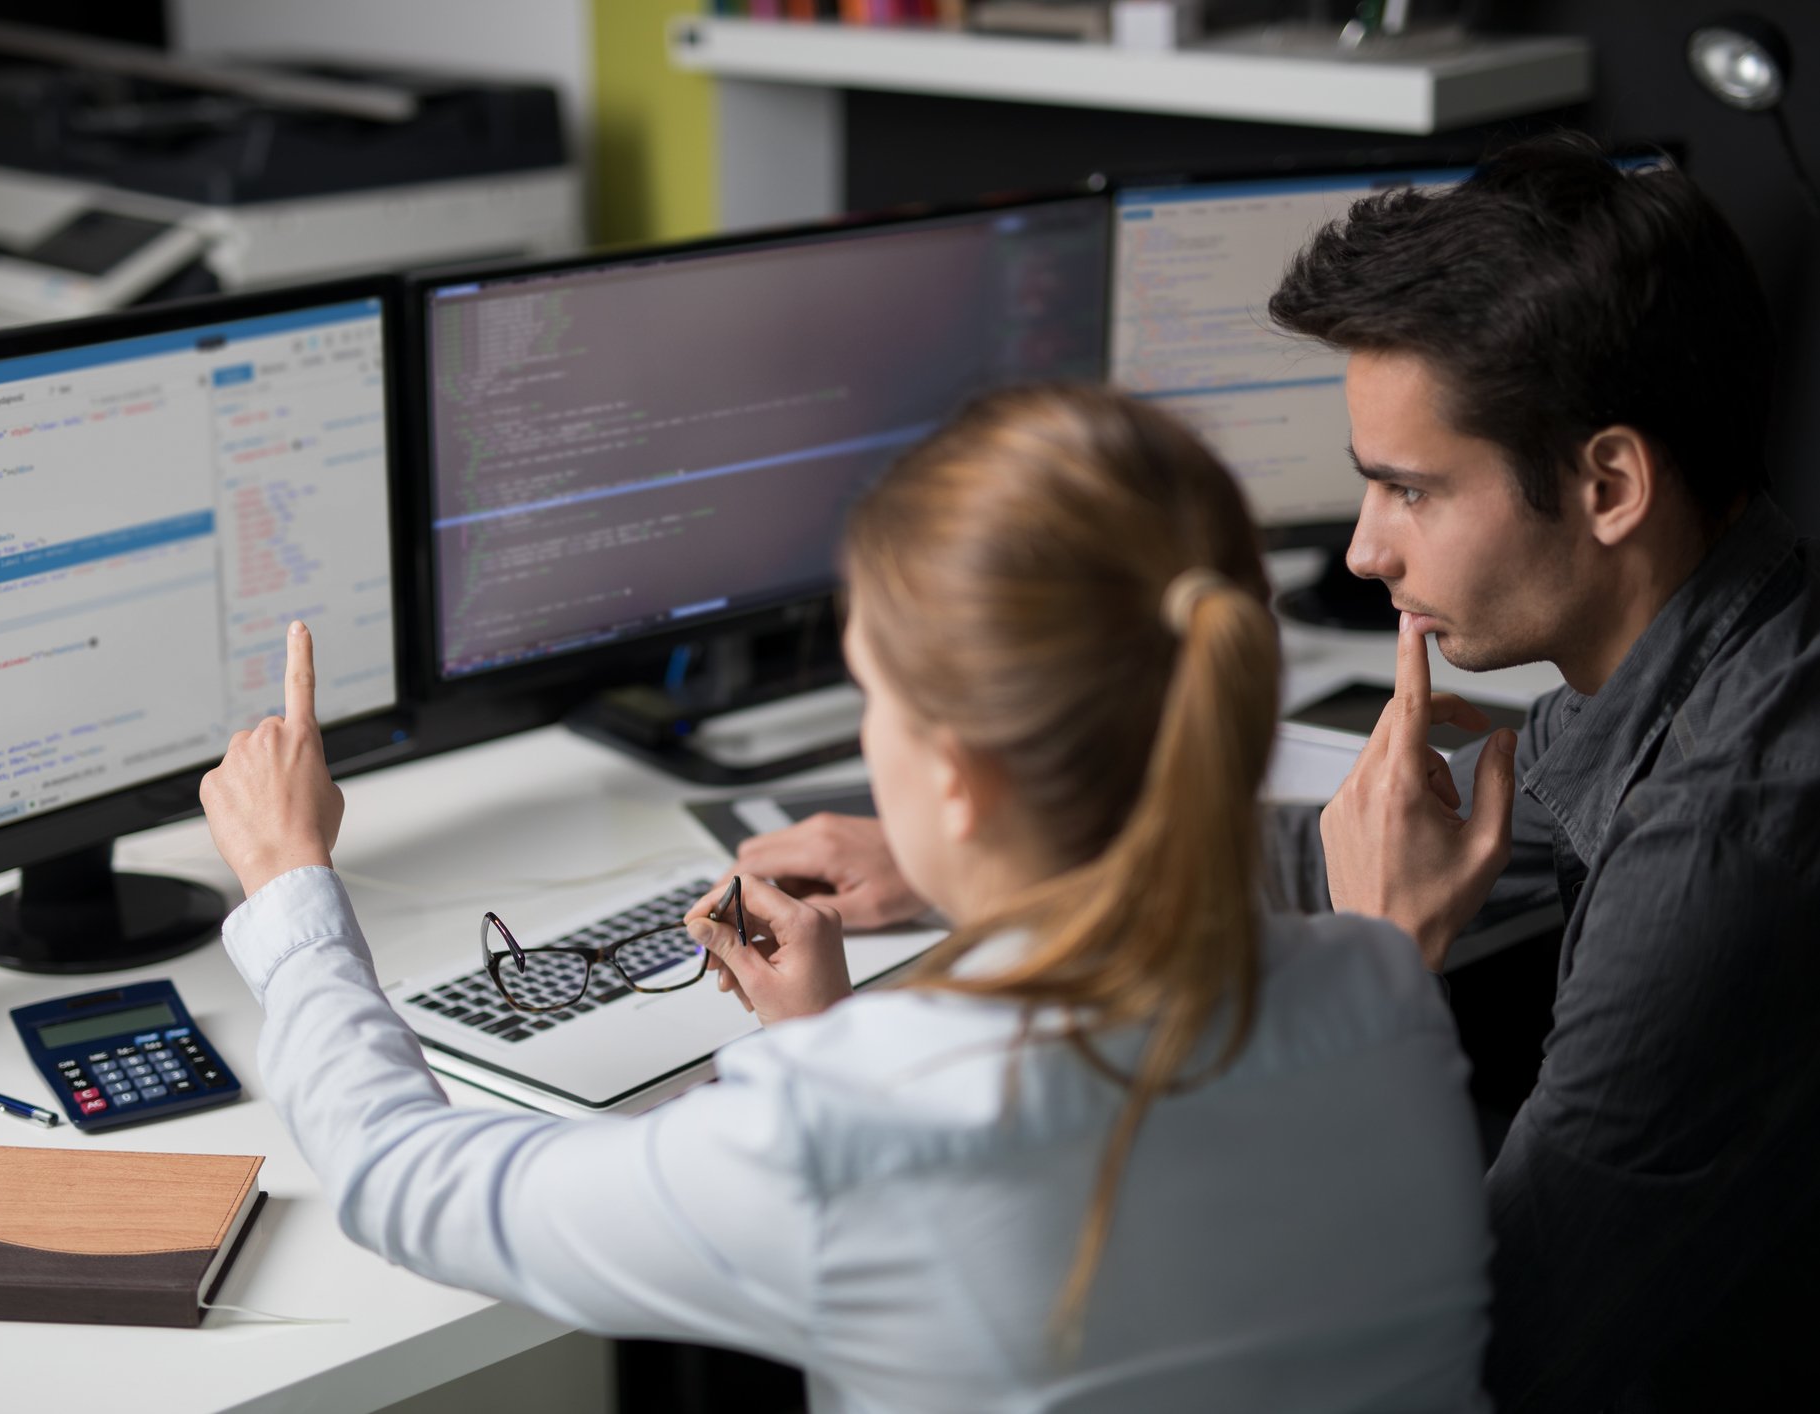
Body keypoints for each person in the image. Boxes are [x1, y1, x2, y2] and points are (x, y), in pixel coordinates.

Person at [742, 134, 1820, 1412]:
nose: (1364, 552)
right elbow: (1370, 833)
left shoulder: (1723, 846)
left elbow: (1480, 1362)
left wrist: (1377, 963)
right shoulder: (1716, 639)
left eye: (1409, 491)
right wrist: (982, 853)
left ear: (1609, 483)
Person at [199, 385, 1493, 1413]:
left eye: (872, 694)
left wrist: (288, 876)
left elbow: (399, 1179)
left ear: (952, 773)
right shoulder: (1383, 984)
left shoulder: (854, 1124)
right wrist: (825, 1043)